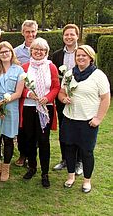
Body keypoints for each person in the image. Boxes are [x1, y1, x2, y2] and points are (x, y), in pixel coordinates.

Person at [59, 45, 110, 193]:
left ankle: (87, 181)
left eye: (84, 55)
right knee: (69, 148)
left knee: (87, 151)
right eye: (78, 55)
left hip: (88, 121)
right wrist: (63, 99)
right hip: (69, 119)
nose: (80, 58)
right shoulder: (69, 74)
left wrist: (98, 118)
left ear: (90, 58)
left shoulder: (98, 75)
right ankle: (70, 176)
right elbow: (61, 93)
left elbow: (105, 99)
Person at [19, 38, 60, 188]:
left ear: (46, 52)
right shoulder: (24, 67)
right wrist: (29, 94)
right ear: (31, 51)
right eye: (36, 49)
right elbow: (20, 88)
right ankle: (32, 167)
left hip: (45, 108)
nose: (38, 52)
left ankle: (44, 173)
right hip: (29, 107)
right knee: (29, 138)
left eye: (42, 50)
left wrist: (47, 98)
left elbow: (56, 87)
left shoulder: (51, 67)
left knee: (43, 140)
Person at [0, 41, 24, 181]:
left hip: (11, 107)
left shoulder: (19, 70)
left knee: (8, 139)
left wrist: (1, 103)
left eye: (7, 51)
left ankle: (6, 167)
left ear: (11, 52)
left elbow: (18, 93)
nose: (4, 54)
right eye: (1, 52)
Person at [51, 24, 82, 175]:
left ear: (77, 36)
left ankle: (79, 162)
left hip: (79, 99)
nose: (69, 37)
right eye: (66, 35)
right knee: (64, 129)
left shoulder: (83, 53)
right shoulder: (57, 55)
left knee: (79, 130)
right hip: (62, 98)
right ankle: (65, 159)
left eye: (72, 34)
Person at [14, 20, 38, 167]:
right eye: (27, 32)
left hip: (38, 95)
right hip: (22, 93)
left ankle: (32, 155)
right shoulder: (17, 52)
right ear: (23, 33)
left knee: (36, 127)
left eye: (33, 31)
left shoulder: (42, 48)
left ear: (36, 32)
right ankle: (22, 154)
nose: (30, 34)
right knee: (22, 126)